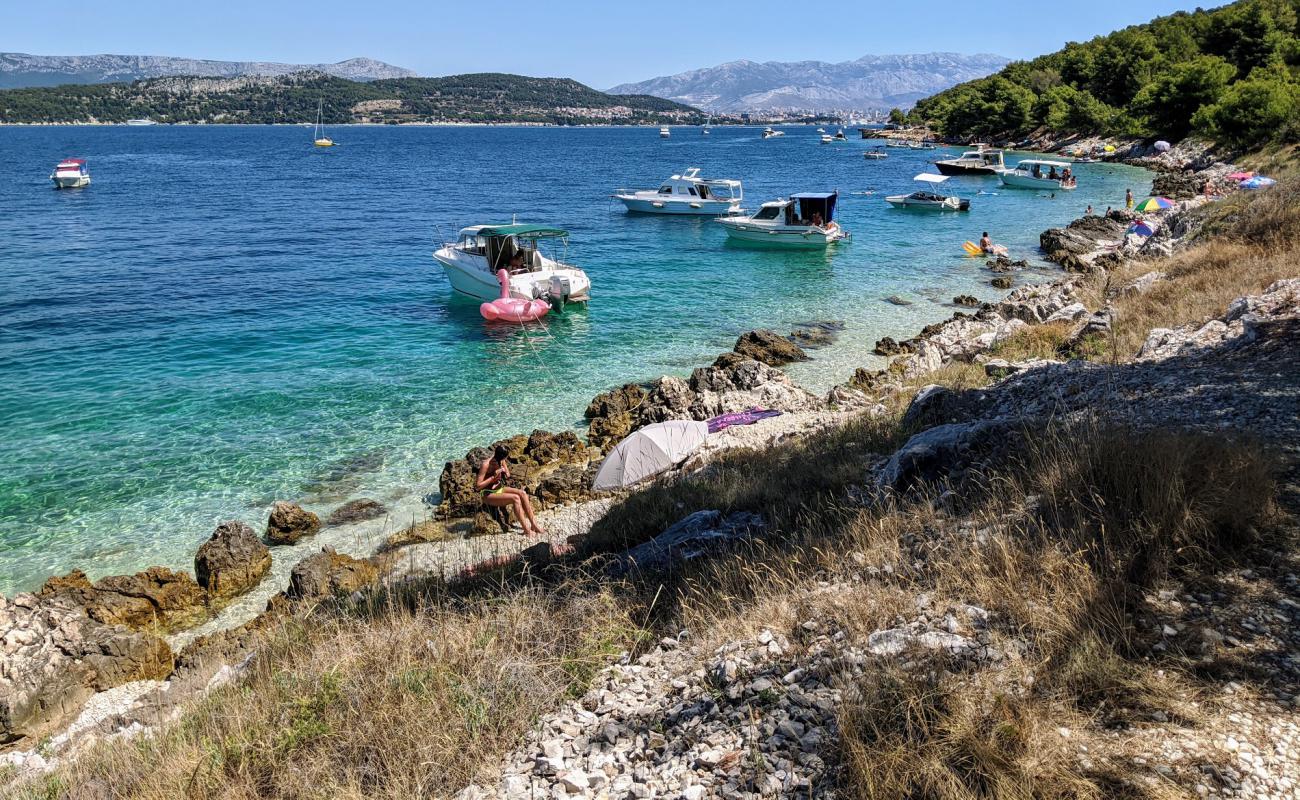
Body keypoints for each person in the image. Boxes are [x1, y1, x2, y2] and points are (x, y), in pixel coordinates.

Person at [475, 446, 545, 536]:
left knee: (523, 493)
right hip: (487, 494)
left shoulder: (502, 460)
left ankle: (534, 525)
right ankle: (526, 530)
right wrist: (493, 477)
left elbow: (507, 474)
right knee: (515, 498)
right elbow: (478, 486)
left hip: (500, 488)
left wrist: (505, 472)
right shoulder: (486, 465)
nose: (504, 460)